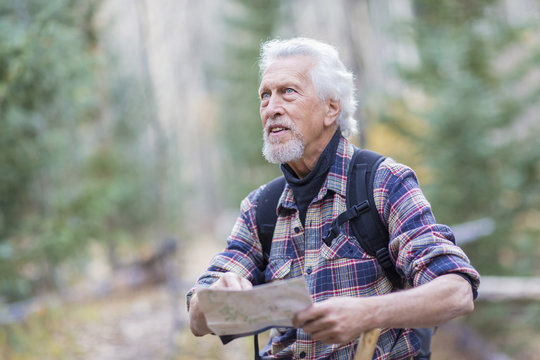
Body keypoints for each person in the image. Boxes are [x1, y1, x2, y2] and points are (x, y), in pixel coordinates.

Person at [186, 37, 480, 360]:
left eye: (288, 92)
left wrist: (368, 314)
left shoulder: (384, 183)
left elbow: (457, 291)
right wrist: (217, 297)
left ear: (331, 108)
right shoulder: (260, 208)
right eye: (265, 96)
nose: (271, 108)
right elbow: (198, 319)